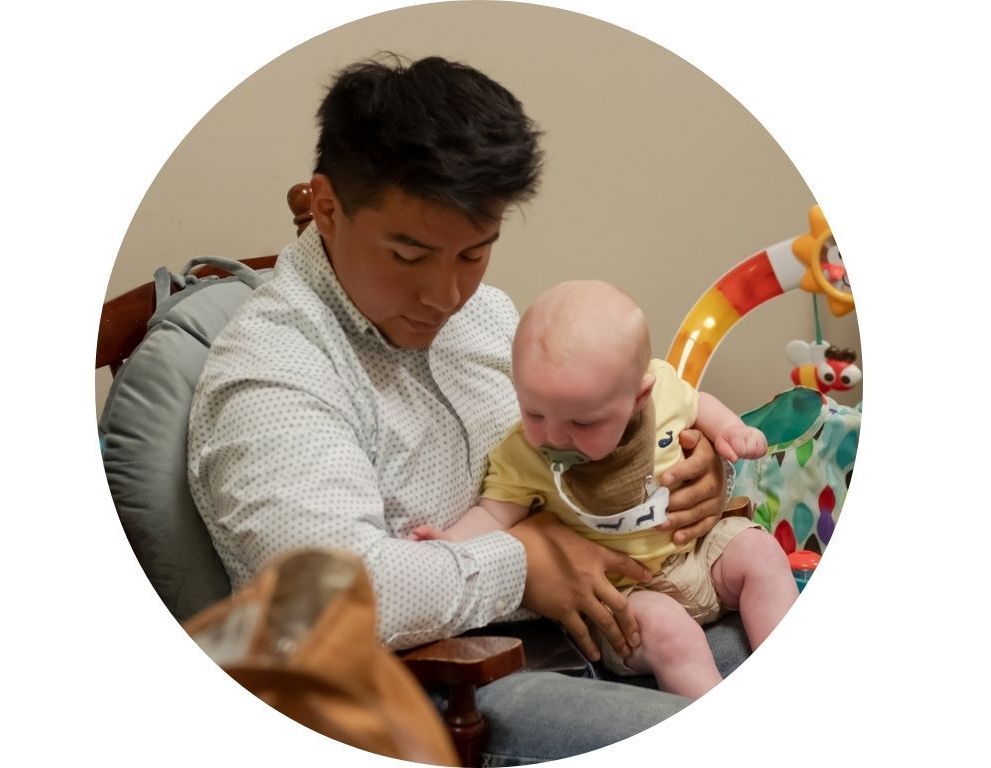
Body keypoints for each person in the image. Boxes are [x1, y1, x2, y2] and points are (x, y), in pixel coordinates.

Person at [188, 54, 746, 763]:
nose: (446, 296)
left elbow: (573, 441)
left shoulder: (485, 318)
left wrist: (686, 466)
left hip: (607, 621)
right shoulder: (274, 373)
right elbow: (326, 603)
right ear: (327, 209)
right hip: (438, 691)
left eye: (474, 254)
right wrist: (524, 560)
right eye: (409, 256)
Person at [413, 280, 799, 698]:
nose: (553, 436)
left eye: (582, 422)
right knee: (673, 636)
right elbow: (494, 512)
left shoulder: (662, 391)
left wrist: (731, 430)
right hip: (624, 592)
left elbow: (698, 403)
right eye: (534, 413)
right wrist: (451, 542)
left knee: (762, 553)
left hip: (698, 553)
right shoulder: (523, 453)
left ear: (639, 397)